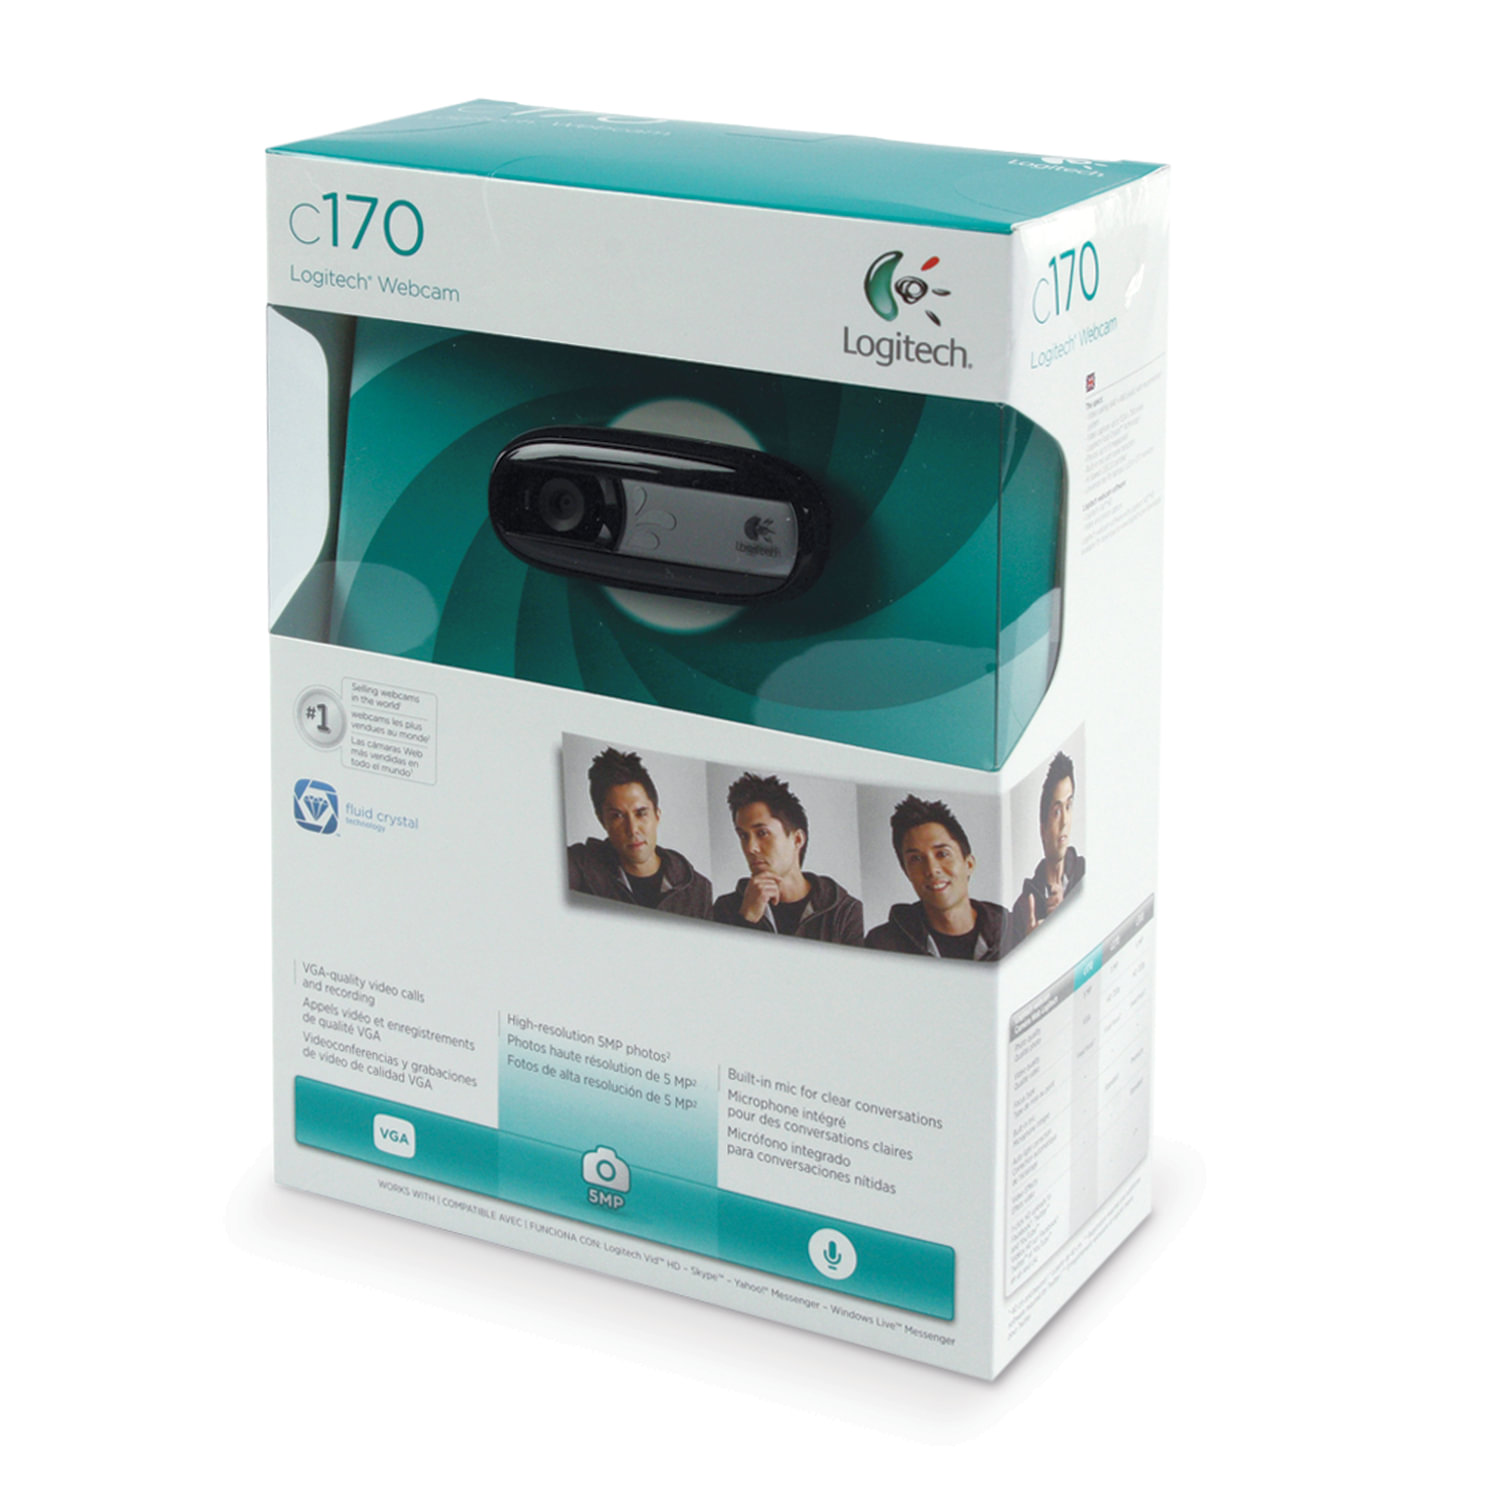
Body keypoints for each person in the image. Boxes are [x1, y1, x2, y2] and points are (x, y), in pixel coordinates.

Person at [712, 773, 863, 944]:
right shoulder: (726, 909)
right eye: (743, 836)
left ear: (797, 839)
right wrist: (747, 919)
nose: (750, 848)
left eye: (762, 833)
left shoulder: (845, 913)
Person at [567, 748, 712, 918]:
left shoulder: (699, 891)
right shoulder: (579, 866)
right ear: (602, 820)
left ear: (657, 815)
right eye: (617, 816)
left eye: (641, 813)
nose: (632, 829)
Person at [866, 796, 1015, 960]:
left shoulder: (1014, 933)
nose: (931, 869)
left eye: (942, 854)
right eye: (916, 859)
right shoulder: (882, 946)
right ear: (906, 872)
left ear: (969, 864)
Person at [1014, 751, 1085, 936]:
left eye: (1068, 807)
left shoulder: (1085, 875)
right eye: (1056, 812)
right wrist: (1031, 943)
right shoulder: (1023, 907)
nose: (1065, 821)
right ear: (1043, 828)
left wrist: (1068, 913)